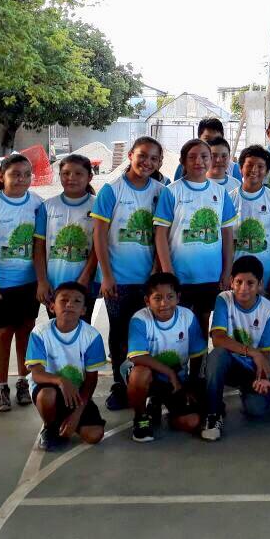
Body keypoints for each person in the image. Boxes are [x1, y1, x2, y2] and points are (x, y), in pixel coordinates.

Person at [91, 136, 166, 411]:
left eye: (154, 158)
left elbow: (163, 234)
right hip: (119, 279)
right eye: (142, 155)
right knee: (120, 332)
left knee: (150, 333)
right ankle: (121, 384)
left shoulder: (162, 190)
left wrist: (158, 269)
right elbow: (99, 234)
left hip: (149, 280)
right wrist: (107, 276)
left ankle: (149, 383)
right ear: (131, 155)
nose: (147, 162)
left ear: (159, 162)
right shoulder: (111, 190)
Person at [0, 153, 44, 412]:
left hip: (29, 283)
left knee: (26, 329)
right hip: (1, 284)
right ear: (2, 177)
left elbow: (39, 246)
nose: (22, 179)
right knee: (3, 333)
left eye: (27, 174)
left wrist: (41, 281)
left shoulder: (37, 204)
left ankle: (23, 380)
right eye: (15, 174)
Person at [154, 138, 237, 335]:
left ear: (210, 160)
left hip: (211, 275)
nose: (198, 161)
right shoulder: (171, 191)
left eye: (204, 156)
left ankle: (199, 366)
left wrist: (227, 272)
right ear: (183, 161)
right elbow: (160, 235)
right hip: (179, 275)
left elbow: (227, 235)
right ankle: (179, 366)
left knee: (202, 322)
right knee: (177, 326)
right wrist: (168, 272)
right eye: (192, 157)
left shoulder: (221, 193)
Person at [202, 256, 270, 440]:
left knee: (257, 409)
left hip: (251, 369)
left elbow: (265, 355)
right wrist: (252, 352)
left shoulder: (269, 311)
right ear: (231, 282)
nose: (243, 288)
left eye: (250, 283)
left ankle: (248, 389)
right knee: (217, 354)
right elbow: (218, 338)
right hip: (228, 364)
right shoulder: (224, 299)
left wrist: (263, 377)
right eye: (238, 282)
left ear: (260, 284)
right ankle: (214, 414)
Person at [123, 272, 206, 443]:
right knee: (139, 374)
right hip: (151, 377)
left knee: (193, 422)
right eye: (157, 298)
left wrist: (190, 384)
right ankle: (141, 417)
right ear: (147, 301)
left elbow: (198, 354)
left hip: (175, 382)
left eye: (170, 297)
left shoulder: (187, 317)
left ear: (178, 298)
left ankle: (168, 412)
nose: (164, 303)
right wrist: (170, 373)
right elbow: (138, 357)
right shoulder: (140, 319)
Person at [25, 282, 108, 450]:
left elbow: (91, 381)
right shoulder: (40, 333)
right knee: (47, 395)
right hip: (49, 387)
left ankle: (67, 419)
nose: (70, 304)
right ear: (52, 307)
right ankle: (50, 426)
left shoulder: (91, 336)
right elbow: (37, 374)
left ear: (84, 310)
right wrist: (61, 381)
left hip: (77, 394)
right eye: (64, 300)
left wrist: (77, 415)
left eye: (77, 301)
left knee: (94, 436)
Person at [34, 154, 98, 320]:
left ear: (90, 177)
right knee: (57, 328)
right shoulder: (47, 206)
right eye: (66, 173)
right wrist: (42, 281)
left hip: (85, 284)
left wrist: (85, 278)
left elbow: (99, 247)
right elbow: (39, 247)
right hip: (54, 284)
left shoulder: (97, 205)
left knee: (82, 329)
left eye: (78, 173)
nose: (71, 178)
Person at [230, 145, 270, 299]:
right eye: (249, 165)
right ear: (241, 168)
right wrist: (227, 272)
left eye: (260, 166)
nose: (254, 170)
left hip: (266, 273)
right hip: (236, 274)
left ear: (267, 171)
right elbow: (225, 239)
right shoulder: (228, 199)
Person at [172, 117, 242, 183]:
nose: (212, 145)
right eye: (207, 140)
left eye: (217, 140)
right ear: (199, 139)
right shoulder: (184, 166)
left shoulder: (233, 169)